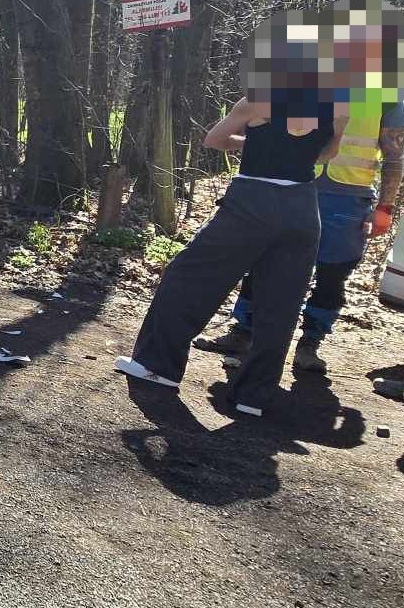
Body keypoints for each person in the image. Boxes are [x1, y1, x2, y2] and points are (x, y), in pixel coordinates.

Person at [117, 96, 347, 417]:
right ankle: (253, 397)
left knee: (189, 276)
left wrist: (250, 142)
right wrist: (296, 152)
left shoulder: (259, 100)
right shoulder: (338, 106)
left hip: (252, 200)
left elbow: (215, 140)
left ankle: (158, 366)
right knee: (280, 305)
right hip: (302, 209)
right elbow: (329, 152)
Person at [196, 100, 404, 374]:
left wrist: (385, 207)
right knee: (265, 261)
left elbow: (394, 153)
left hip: (348, 198)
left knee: (333, 273)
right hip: (293, 181)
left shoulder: (386, 93)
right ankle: (243, 331)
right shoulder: (311, 77)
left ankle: (310, 343)